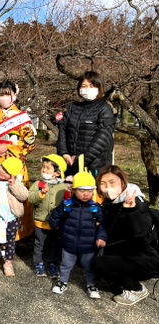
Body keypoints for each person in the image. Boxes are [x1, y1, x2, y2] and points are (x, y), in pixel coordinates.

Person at [92, 165, 159, 305]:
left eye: (112, 183)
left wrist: (131, 212)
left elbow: (143, 237)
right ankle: (119, 278)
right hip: (126, 252)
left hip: (146, 257)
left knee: (99, 264)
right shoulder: (110, 203)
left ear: (122, 183)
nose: (108, 188)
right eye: (103, 184)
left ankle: (137, 289)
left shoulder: (136, 203)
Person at [0, 80, 36, 240]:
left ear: (15, 96)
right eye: (1, 94)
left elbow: (30, 142)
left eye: (7, 94)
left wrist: (8, 148)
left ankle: (14, 237)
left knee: (13, 197)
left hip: (13, 164)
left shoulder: (22, 118)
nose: (3, 98)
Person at [49, 170, 107, 299]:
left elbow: (102, 224)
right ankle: (63, 282)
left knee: (89, 266)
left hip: (88, 246)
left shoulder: (95, 207)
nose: (86, 194)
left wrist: (101, 237)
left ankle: (91, 284)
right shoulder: (67, 205)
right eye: (82, 190)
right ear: (74, 190)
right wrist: (56, 226)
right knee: (65, 264)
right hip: (69, 243)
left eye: (90, 191)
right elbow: (55, 216)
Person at [57, 71, 116, 176]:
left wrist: (82, 159)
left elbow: (102, 139)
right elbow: (62, 130)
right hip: (69, 163)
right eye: (84, 85)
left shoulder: (104, 108)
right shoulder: (73, 107)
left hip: (94, 166)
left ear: (99, 87)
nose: (88, 88)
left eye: (92, 85)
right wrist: (64, 153)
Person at [0, 157, 29, 277]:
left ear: (12, 175)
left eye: (7, 172)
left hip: (12, 219)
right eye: (2, 168)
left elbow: (24, 196)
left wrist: (13, 185)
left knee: (10, 242)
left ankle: (8, 262)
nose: (2, 172)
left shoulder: (15, 183)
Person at [28, 154, 68, 277]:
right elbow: (30, 198)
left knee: (54, 245)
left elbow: (66, 204)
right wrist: (41, 193)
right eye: (43, 167)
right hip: (40, 221)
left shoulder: (63, 187)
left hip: (56, 224)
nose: (44, 170)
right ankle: (38, 264)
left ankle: (53, 264)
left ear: (57, 172)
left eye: (48, 168)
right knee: (39, 244)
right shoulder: (38, 184)